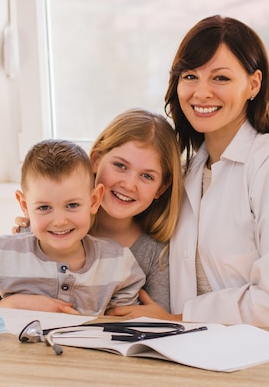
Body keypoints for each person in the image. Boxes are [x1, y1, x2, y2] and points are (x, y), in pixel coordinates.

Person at [107, 15, 269, 331]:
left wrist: (177, 320)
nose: (201, 93)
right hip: (215, 350)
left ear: (253, 84)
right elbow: (126, 225)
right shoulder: (186, 173)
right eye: (190, 76)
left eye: (221, 78)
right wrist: (49, 229)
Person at [0, 139, 146, 316]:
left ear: (94, 201)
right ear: (24, 206)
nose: (59, 221)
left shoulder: (119, 263)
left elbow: (122, 326)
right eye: (44, 207)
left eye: (72, 205)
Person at [11, 109, 184, 312]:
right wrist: (6, 303)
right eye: (120, 165)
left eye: (147, 176)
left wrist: (158, 318)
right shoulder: (49, 228)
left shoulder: (154, 254)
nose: (129, 185)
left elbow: (157, 316)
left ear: (161, 188)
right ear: (96, 161)